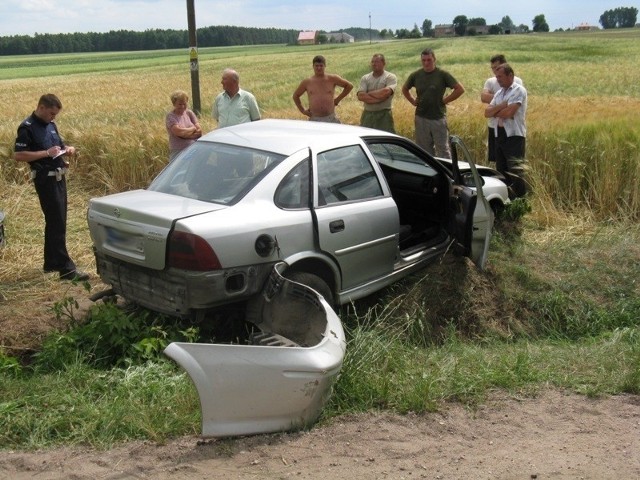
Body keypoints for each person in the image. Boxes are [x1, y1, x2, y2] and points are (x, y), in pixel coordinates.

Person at [13, 94, 89, 281]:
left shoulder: (51, 126)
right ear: (41, 107)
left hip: (59, 177)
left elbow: (58, 147)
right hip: (45, 180)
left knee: (57, 221)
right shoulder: (27, 127)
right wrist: (46, 153)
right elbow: (19, 155)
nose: (53, 117)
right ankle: (66, 269)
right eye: (51, 113)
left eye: (55, 115)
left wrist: (67, 151)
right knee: (57, 222)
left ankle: (51, 263)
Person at [402, 48, 465, 158]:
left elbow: (460, 89)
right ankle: (430, 173)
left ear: (434, 60)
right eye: (424, 60)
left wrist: (445, 100)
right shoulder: (416, 75)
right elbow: (404, 89)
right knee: (423, 150)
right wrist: (412, 101)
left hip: (438, 118)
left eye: (429, 60)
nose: (426, 63)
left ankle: (448, 173)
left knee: (443, 149)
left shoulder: (442, 74)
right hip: (421, 117)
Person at [484, 63, 528, 197]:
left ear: (510, 75)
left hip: (514, 135)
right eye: (496, 77)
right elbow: (487, 113)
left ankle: (519, 199)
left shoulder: (519, 90)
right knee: (501, 169)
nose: (498, 79)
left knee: (515, 170)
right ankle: (506, 199)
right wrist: (502, 105)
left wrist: (497, 110)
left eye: (501, 76)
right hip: (500, 134)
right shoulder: (499, 93)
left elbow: (509, 113)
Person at [481, 54, 523, 164]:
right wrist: (502, 105)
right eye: (493, 69)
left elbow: (509, 112)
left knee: (514, 168)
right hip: (496, 130)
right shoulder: (497, 90)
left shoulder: (518, 86)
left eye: (497, 68)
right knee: (500, 165)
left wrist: (494, 110)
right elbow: (486, 109)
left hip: (513, 133)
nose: (495, 74)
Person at [292, 55, 353, 123]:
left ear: (325, 66)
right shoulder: (307, 82)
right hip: (315, 119)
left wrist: (337, 100)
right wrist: (303, 111)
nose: (319, 68)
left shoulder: (332, 78)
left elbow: (349, 86)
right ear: (313, 66)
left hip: (331, 118)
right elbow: (296, 96)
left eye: (321, 65)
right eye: (316, 66)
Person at [356, 53, 397, 133]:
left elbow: (386, 92)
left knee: (385, 140)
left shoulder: (390, 77)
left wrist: (368, 93)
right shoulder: (365, 78)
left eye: (377, 61)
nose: (374, 64)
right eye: (372, 62)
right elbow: (361, 96)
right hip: (368, 115)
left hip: (384, 115)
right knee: (367, 139)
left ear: (384, 63)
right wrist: (379, 99)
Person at [166, 90, 202, 160]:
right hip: (178, 150)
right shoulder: (171, 116)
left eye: (184, 104)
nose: (182, 106)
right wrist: (192, 129)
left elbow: (199, 132)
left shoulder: (189, 113)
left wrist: (185, 135)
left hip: (192, 148)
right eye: (180, 104)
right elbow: (178, 132)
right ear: (174, 104)